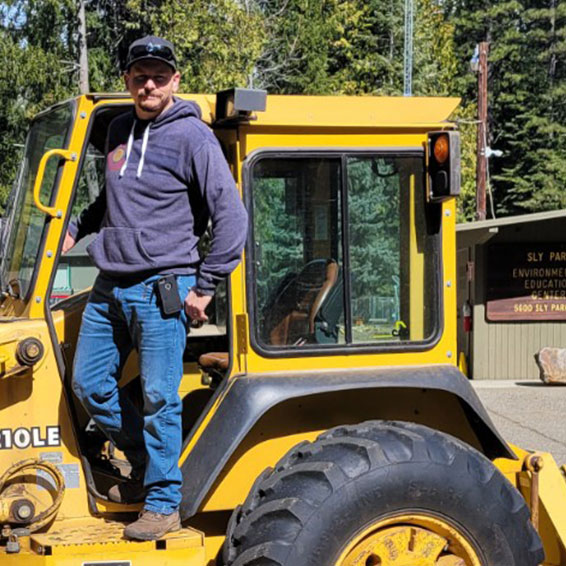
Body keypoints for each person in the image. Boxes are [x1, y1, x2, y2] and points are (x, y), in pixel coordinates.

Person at [65, 36, 248, 541]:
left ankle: (164, 503)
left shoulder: (193, 138)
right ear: (127, 80)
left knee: (159, 398)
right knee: (89, 384)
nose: (149, 83)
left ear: (175, 81)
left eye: (158, 76)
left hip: (162, 285)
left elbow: (232, 218)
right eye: (140, 75)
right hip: (111, 284)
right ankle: (150, 464)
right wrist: (75, 229)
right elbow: (110, 197)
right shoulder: (121, 129)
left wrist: (205, 286)